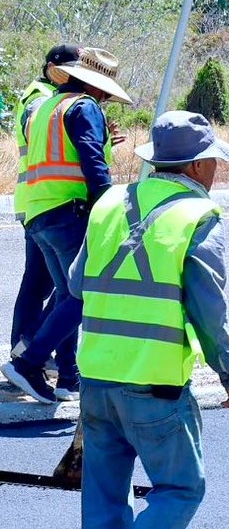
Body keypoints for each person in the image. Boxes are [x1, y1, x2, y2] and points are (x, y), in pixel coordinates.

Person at [74, 110, 229, 529]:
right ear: (196, 167)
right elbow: (207, 312)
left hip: (94, 379)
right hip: (154, 386)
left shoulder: (110, 201)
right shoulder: (198, 216)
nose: (217, 170)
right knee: (180, 489)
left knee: (104, 498)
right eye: (213, 161)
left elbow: (75, 282)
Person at [3, 47, 133, 403]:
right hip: (69, 212)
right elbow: (93, 160)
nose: (106, 98)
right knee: (84, 293)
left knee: (65, 295)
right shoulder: (84, 106)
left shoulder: (46, 106)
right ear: (97, 86)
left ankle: (68, 377)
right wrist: (111, 208)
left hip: (39, 212)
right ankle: (28, 362)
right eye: (105, 91)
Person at [9, 44, 79, 360]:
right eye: (66, 66)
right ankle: (29, 350)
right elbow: (34, 124)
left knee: (52, 284)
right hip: (43, 199)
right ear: (50, 67)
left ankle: (34, 350)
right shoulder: (40, 96)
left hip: (41, 198)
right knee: (48, 284)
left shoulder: (55, 96)